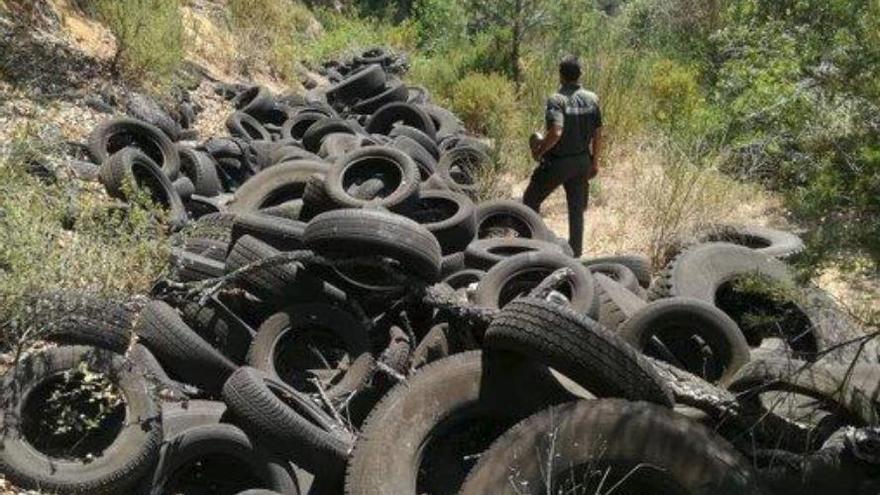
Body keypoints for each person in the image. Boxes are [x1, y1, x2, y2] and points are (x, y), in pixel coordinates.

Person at [523, 55, 603, 257]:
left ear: (561, 76)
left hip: (559, 163)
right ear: (580, 75)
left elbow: (556, 132)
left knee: (530, 200)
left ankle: (533, 246)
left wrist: (540, 149)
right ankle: (576, 255)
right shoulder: (592, 99)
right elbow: (598, 133)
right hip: (582, 161)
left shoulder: (556, 100)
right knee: (576, 212)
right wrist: (595, 162)